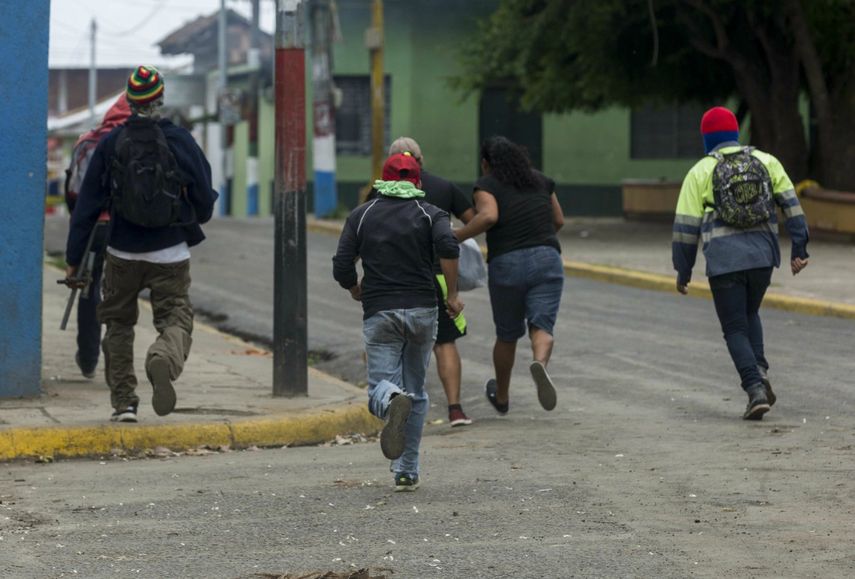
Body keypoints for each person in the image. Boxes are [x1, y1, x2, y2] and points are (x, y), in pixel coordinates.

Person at [65, 65, 218, 423]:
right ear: (160, 99)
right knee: (176, 316)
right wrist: (190, 215)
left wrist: (74, 259)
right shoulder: (180, 140)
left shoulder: (110, 143)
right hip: (171, 252)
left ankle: (124, 403)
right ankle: (163, 356)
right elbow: (205, 200)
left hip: (121, 251)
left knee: (118, 324)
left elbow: (86, 207)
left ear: (129, 101)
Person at [333, 152, 463, 492]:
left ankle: (391, 401)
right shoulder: (430, 213)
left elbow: (342, 263)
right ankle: (407, 470)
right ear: (417, 182)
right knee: (417, 393)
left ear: (382, 180)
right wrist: (452, 295)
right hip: (422, 310)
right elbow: (449, 245)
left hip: (380, 311)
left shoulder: (362, 215)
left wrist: (354, 288)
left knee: (380, 388)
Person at [672, 106, 809, 420]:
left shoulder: (700, 171)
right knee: (750, 313)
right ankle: (759, 370)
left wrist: (683, 268)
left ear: (707, 138)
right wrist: (799, 247)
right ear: (735, 132)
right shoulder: (766, 161)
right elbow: (792, 204)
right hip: (763, 256)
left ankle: (754, 387)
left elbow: (685, 226)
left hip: (725, 261)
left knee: (734, 326)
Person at [454, 136, 565, 415]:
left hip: (507, 262)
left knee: (507, 334)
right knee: (541, 326)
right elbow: (559, 221)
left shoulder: (487, 185)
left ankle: (502, 396)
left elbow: (488, 216)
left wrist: (456, 236)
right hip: (547, 257)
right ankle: (540, 363)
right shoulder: (541, 180)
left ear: (485, 164)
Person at [385, 137, 476, 427]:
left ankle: (393, 407)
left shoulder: (379, 192)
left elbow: (362, 232)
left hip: (391, 278)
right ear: (421, 161)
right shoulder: (443, 187)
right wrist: (450, 237)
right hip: (436, 276)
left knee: (389, 343)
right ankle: (455, 409)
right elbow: (473, 219)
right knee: (444, 342)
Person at [64, 94, 131, 379]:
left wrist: (73, 254)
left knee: (89, 292)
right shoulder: (142, 141)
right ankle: (115, 359)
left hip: (94, 229)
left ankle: (88, 358)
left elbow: (73, 194)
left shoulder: (88, 142)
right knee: (120, 294)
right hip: (126, 231)